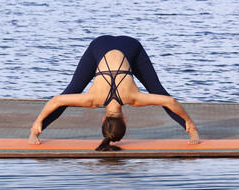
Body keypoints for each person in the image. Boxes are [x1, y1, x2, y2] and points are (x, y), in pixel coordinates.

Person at [28, 35, 200, 150]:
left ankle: (191, 130)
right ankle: (35, 131)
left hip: (124, 46)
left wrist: (189, 122)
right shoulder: (92, 100)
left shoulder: (133, 98)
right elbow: (57, 100)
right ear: (103, 119)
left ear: (125, 120)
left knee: (158, 92)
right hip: (101, 45)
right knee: (70, 92)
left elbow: (170, 101)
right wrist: (37, 122)